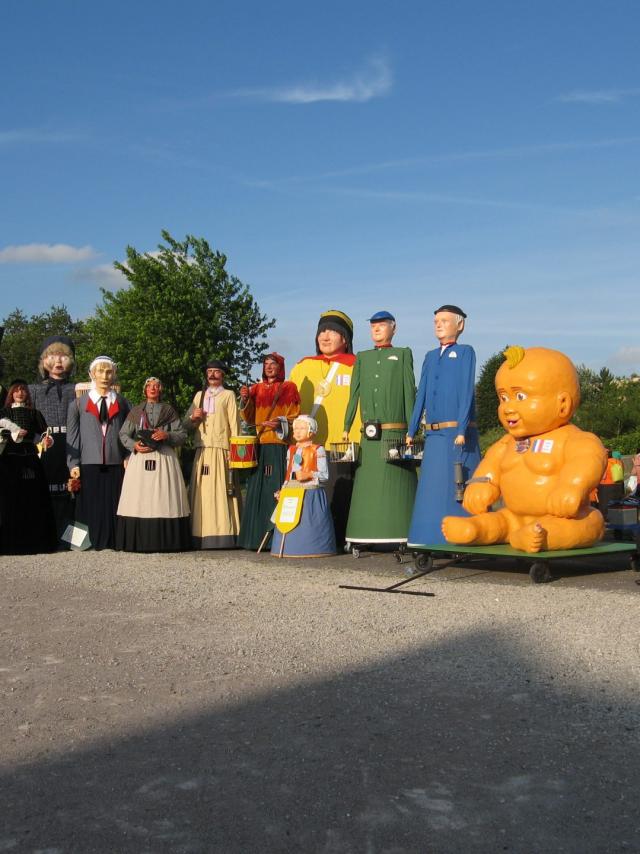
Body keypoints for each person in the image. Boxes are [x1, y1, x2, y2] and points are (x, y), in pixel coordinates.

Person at [442, 346, 607, 552]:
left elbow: (588, 459)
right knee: (497, 521)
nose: (508, 408)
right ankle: (474, 530)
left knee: (590, 523)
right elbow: (490, 466)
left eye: (520, 397)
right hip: (513, 516)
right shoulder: (506, 443)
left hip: (563, 517)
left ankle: (537, 536)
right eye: (503, 398)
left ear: (562, 403)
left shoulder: (574, 439)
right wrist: (481, 485)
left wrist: (572, 486)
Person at [406, 305, 482, 546]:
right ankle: (427, 536)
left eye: (445, 320)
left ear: (460, 325)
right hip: (434, 434)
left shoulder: (465, 352)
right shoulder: (430, 356)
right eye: (436, 321)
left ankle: (463, 535)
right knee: (431, 489)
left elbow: (466, 390)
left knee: (456, 485)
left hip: (455, 433)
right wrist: (412, 428)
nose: (438, 324)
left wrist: (461, 429)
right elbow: (422, 394)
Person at [342, 311, 417, 550]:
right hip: (369, 435)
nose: (376, 330)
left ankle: (401, 531)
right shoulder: (362, 357)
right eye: (373, 326)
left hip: (395, 431)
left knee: (395, 481)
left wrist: (411, 428)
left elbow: (408, 390)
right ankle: (363, 533)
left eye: (381, 326)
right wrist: (347, 425)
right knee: (367, 484)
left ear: (393, 328)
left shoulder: (402, 354)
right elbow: (354, 393)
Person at [289, 309, 361, 545]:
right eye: (322, 331)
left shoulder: (357, 367)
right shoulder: (303, 366)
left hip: (342, 442)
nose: (325, 336)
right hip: (308, 444)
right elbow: (290, 404)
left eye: (333, 331)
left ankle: (339, 539)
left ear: (346, 338)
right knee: (305, 488)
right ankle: (307, 537)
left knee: (339, 492)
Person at [116, 377, 191, 552]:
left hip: (164, 458)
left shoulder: (169, 411)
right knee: (140, 497)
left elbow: (182, 435)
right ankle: (137, 540)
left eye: (157, 386)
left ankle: (167, 541)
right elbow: (123, 434)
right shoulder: (135, 412)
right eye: (149, 386)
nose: (153, 388)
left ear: (160, 390)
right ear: (144, 390)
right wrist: (134, 445)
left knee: (163, 495)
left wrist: (167, 436)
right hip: (140, 460)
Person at [237, 353, 300, 550]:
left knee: (276, 488)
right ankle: (253, 538)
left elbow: (295, 415)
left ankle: (276, 539)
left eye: (273, 364)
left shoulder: (289, 387)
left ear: (280, 367)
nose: (269, 367)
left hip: (278, 445)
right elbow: (247, 418)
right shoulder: (255, 389)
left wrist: (279, 422)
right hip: (261, 443)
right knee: (257, 489)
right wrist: (245, 399)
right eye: (265, 364)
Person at [67, 356, 130, 550]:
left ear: (114, 375)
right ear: (92, 374)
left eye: (109, 371)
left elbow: (128, 432)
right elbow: (73, 436)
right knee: (85, 504)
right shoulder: (77, 404)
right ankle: (80, 544)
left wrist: (127, 456)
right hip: (88, 461)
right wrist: (73, 463)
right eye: (100, 371)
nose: (105, 376)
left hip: (114, 461)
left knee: (114, 503)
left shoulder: (122, 402)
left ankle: (115, 541)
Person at [185, 360, 241, 549]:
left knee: (222, 490)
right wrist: (194, 417)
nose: (212, 375)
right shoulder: (199, 395)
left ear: (222, 375)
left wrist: (235, 452)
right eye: (209, 371)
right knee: (202, 491)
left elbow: (235, 425)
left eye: (216, 371)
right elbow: (186, 425)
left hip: (221, 449)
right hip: (202, 448)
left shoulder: (228, 395)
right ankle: (199, 533)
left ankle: (224, 533)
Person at [29, 335, 78, 540]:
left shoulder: (79, 389)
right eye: (52, 356)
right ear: (43, 361)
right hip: (44, 443)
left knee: (72, 487)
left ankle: (72, 536)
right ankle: (45, 535)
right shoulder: (32, 390)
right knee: (45, 488)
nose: (58, 362)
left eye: (63, 356)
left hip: (71, 442)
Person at [0, 380, 57, 554]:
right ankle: (10, 542)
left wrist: (47, 440)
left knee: (34, 497)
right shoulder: (4, 412)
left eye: (23, 390)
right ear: (11, 393)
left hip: (31, 458)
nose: (20, 393)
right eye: (16, 390)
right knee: (10, 499)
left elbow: (45, 434)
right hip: (9, 459)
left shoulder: (35, 413)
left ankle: (35, 541)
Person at [270, 414, 336, 558]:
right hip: (292, 491)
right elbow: (289, 473)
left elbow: (324, 475)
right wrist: (284, 488)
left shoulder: (317, 450)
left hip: (309, 493)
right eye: (295, 429)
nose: (297, 431)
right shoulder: (291, 450)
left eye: (301, 428)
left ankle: (311, 547)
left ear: (311, 431)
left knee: (306, 523)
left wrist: (309, 475)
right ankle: (287, 548)